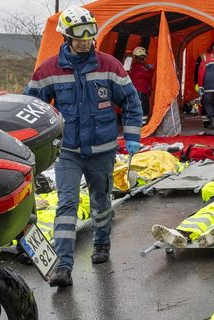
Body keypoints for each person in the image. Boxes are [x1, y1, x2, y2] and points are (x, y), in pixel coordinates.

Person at [24, 5, 143, 287]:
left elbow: (131, 102)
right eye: (79, 37)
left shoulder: (109, 66)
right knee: (67, 203)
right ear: (66, 36)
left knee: (101, 202)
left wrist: (133, 135)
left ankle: (102, 243)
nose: (85, 41)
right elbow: (32, 107)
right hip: (68, 151)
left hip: (102, 150)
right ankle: (63, 266)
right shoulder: (48, 70)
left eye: (89, 36)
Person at [128, 46, 154, 125]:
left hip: (139, 90)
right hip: (141, 91)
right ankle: (142, 126)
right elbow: (148, 76)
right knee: (143, 108)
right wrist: (151, 69)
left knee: (140, 107)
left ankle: (139, 124)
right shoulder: (140, 67)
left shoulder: (134, 66)